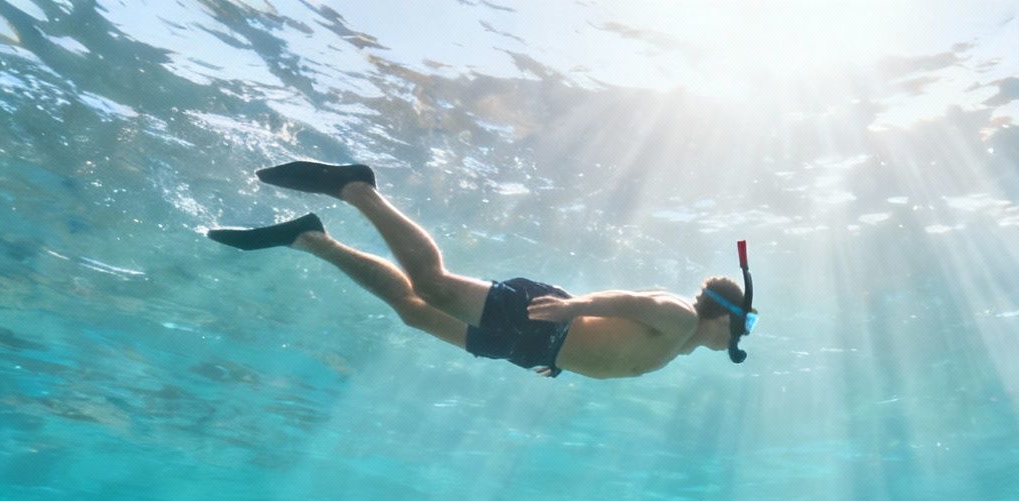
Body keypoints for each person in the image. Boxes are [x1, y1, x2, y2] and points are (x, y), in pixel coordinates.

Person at [207, 161, 755, 379]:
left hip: (536, 350)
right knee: (433, 286)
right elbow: (631, 302)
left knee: (414, 312)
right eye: (745, 325)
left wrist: (562, 363)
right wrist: (575, 307)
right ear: (724, 316)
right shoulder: (682, 318)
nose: (741, 337)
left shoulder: (678, 344)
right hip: (545, 322)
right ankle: (357, 188)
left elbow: (616, 339)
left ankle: (312, 240)